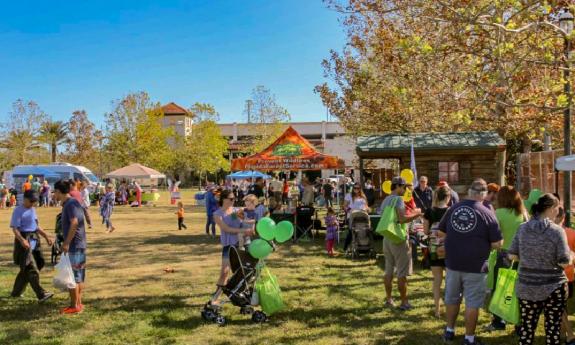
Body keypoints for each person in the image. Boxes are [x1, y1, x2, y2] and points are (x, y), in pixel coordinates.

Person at [438, 179, 502, 345]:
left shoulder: (453, 208)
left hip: (453, 263)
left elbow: (441, 232)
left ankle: (449, 331)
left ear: (469, 192)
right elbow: (497, 243)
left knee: (452, 298)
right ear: (483, 195)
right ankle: (469, 338)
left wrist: (457, 238)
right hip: (476, 265)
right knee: (472, 303)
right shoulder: (488, 212)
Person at [508, 194, 571, 345]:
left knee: (527, 330)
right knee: (553, 331)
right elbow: (564, 262)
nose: (559, 210)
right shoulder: (557, 231)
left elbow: (512, 255)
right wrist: (571, 256)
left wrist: (530, 258)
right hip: (554, 287)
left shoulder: (522, 228)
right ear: (550, 209)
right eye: (557, 207)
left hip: (527, 286)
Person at [485, 185, 529, 331]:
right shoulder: (523, 214)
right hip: (521, 256)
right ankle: (519, 323)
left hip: (503, 254)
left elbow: (493, 236)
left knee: (499, 288)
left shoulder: (497, 213)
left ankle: (499, 321)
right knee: (518, 290)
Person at [379, 177, 422, 311]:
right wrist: (417, 214)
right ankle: (404, 302)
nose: (406, 190)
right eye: (404, 187)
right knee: (402, 273)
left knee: (388, 271)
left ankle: (389, 299)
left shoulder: (385, 199)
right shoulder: (398, 199)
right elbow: (402, 219)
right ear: (397, 186)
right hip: (399, 238)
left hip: (387, 237)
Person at [10, 190, 54, 303]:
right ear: (25, 199)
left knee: (40, 263)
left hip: (35, 240)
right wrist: (22, 240)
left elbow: (36, 226)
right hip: (24, 242)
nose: (33, 203)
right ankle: (41, 294)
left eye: (35, 201)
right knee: (31, 269)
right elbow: (15, 229)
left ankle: (16, 291)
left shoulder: (33, 210)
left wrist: (46, 237)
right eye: (31, 201)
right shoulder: (18, 211)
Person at [211, 190, 254, 303]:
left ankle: (242, 293)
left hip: (241, 244)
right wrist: (244, 230)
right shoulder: (217, 214)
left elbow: (241, 223)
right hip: (229, 246)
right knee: (224, 272)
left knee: (247, 270)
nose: (233, 200)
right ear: (223, 199)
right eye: (231, 199)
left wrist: (250, 224)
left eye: (234, 199)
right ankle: (216, 296)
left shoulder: (235, 211)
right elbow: (227, 229)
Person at [54, 179, 87, 314]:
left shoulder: (70, 204)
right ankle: (78, 304)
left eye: (54, 192)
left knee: (73, 276)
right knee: (78, 275)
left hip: (74, 245)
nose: (53, 195)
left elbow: (74, 223)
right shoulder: (71, 202)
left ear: (58, 192)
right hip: (79, 244)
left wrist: (66, 243)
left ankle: (74, 306)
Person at [422, 185, 451, 318]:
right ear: (448, 197)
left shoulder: (429, 211)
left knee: (437, 280)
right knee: (450, 280)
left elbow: (426, 232)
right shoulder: (451, 211)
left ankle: (437, 310)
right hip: (449, 248)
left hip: (434, 248)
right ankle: (450, 307)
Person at [556, 207, 575, 345]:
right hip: (568, 276)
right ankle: (563, 333)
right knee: (562, 305)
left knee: (560, 306)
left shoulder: (549, 234)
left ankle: (569, 334)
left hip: (556, 277)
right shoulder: (571, 233)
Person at [343, 183, 370, 251]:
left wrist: (367, 209)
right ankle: (346, 247)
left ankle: (364, 246)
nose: (356, 190)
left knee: (363, 230)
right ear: (353, 188)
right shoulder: (348, 195)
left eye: (358, 188)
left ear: (360, 189)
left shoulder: (363, 197)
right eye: (355, 188)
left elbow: (367, 206)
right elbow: (344, 206)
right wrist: (349, 209)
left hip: (362, 216)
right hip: (352, 216)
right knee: (351, 231)